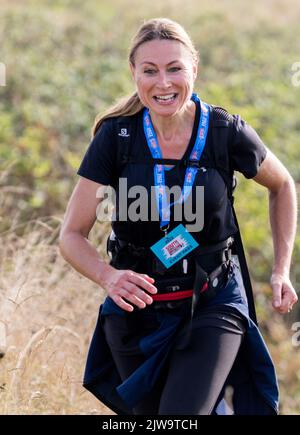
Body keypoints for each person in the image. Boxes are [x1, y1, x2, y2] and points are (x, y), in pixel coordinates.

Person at [59, 18, 298, 415]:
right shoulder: (116, 138)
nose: (163, 83)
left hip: (212, 299)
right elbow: (71, 235)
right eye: (149, 71)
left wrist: (280, 270)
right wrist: (108, 276)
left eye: (175, 68)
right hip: (139, 312)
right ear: (133, 73)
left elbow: (283, 185)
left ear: (194, 69)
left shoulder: (224, 131)